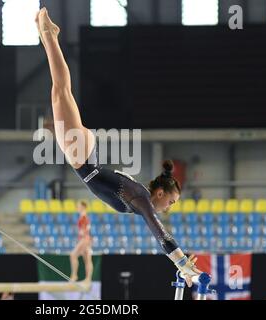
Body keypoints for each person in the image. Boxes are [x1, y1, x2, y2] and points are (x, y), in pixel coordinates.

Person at [35, 7, 202, 287]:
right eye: (170, 201)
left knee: (59, 91)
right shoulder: (142, 199)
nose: (169, 208)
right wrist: (183, 264)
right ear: (159, 192)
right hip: (84, 159)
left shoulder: (139, 196)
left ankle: (47, 37)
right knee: (61, 90)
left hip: (86, 156)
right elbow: (160, 234)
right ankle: (49, 36)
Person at [69, 200, 93, 282]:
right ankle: (88, 278)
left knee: (73, 255)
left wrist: (83, 233)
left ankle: (74, 275)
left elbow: (85, 229)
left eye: (78, 206)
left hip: (84, 239)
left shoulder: (84, 216)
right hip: (86, 238)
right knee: (87, 259)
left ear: (83, 207)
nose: (77, 207)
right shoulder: (84, 216)